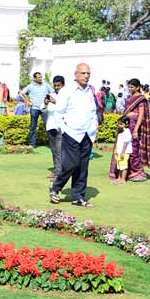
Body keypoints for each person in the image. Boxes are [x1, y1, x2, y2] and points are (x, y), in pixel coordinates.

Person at [49, 63, 100, 207]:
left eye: (88, 73)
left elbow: (92, 111)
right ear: (75, 74)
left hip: (87, 133)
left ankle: (78, 196)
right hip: (71, 133)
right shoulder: (67, 90)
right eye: (83, 73)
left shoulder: (89, 91)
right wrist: (64, 129)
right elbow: (58, 112)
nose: (86, 76)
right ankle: (55, 187)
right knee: (71, 164)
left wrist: (94, 125)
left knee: (83, 167)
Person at [111, 78, 150, 182]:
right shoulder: (129, 98)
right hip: (126, 127)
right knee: (124, 148)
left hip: (135, 127)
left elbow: (141, 114)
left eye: (132, 87)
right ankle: (126, 172)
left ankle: (138, 172)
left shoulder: (140, 98)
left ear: (138, 87)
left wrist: (136, 129)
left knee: (134, 150)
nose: (130, 89)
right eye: (129, 87)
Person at [22, 72, 54, 147]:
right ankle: (32, 144)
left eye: (41, 77)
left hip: (44, 108)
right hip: (34, 108)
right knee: (33, 126)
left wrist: (49, 100)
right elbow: (21, 93)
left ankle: (52, 143)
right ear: (35, 78)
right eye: (39, 77)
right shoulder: (30, 86)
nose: (40, 78)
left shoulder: (46, 85)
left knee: (49, 125)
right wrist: (27, 101)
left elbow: (52, 92)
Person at [44, 75, 65, 179]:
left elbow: (65, 108)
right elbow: (43, 109)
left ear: (63, 85)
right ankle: (57, 171)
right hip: (51, 125)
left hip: (61, 126)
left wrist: (55, 102)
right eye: (55, 85)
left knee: (59, 150)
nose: (57, 87)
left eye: (59, 85)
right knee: (53, 150)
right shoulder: (50, 94)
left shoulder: (66, 96)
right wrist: (45, 103)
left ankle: (59, 173)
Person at [111, 116, 132, 185]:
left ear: (126, 124)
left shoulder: (127, 132)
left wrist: (123, 152)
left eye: (121, 124)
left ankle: (123, 179)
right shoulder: (120, 131)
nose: (119, 125)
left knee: (123, 165)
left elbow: (125, 143)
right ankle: (119, 178)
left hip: (124, 152)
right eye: (119, 124)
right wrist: (116, 150)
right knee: (119, 165)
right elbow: (119, 142)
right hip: (119, 151)